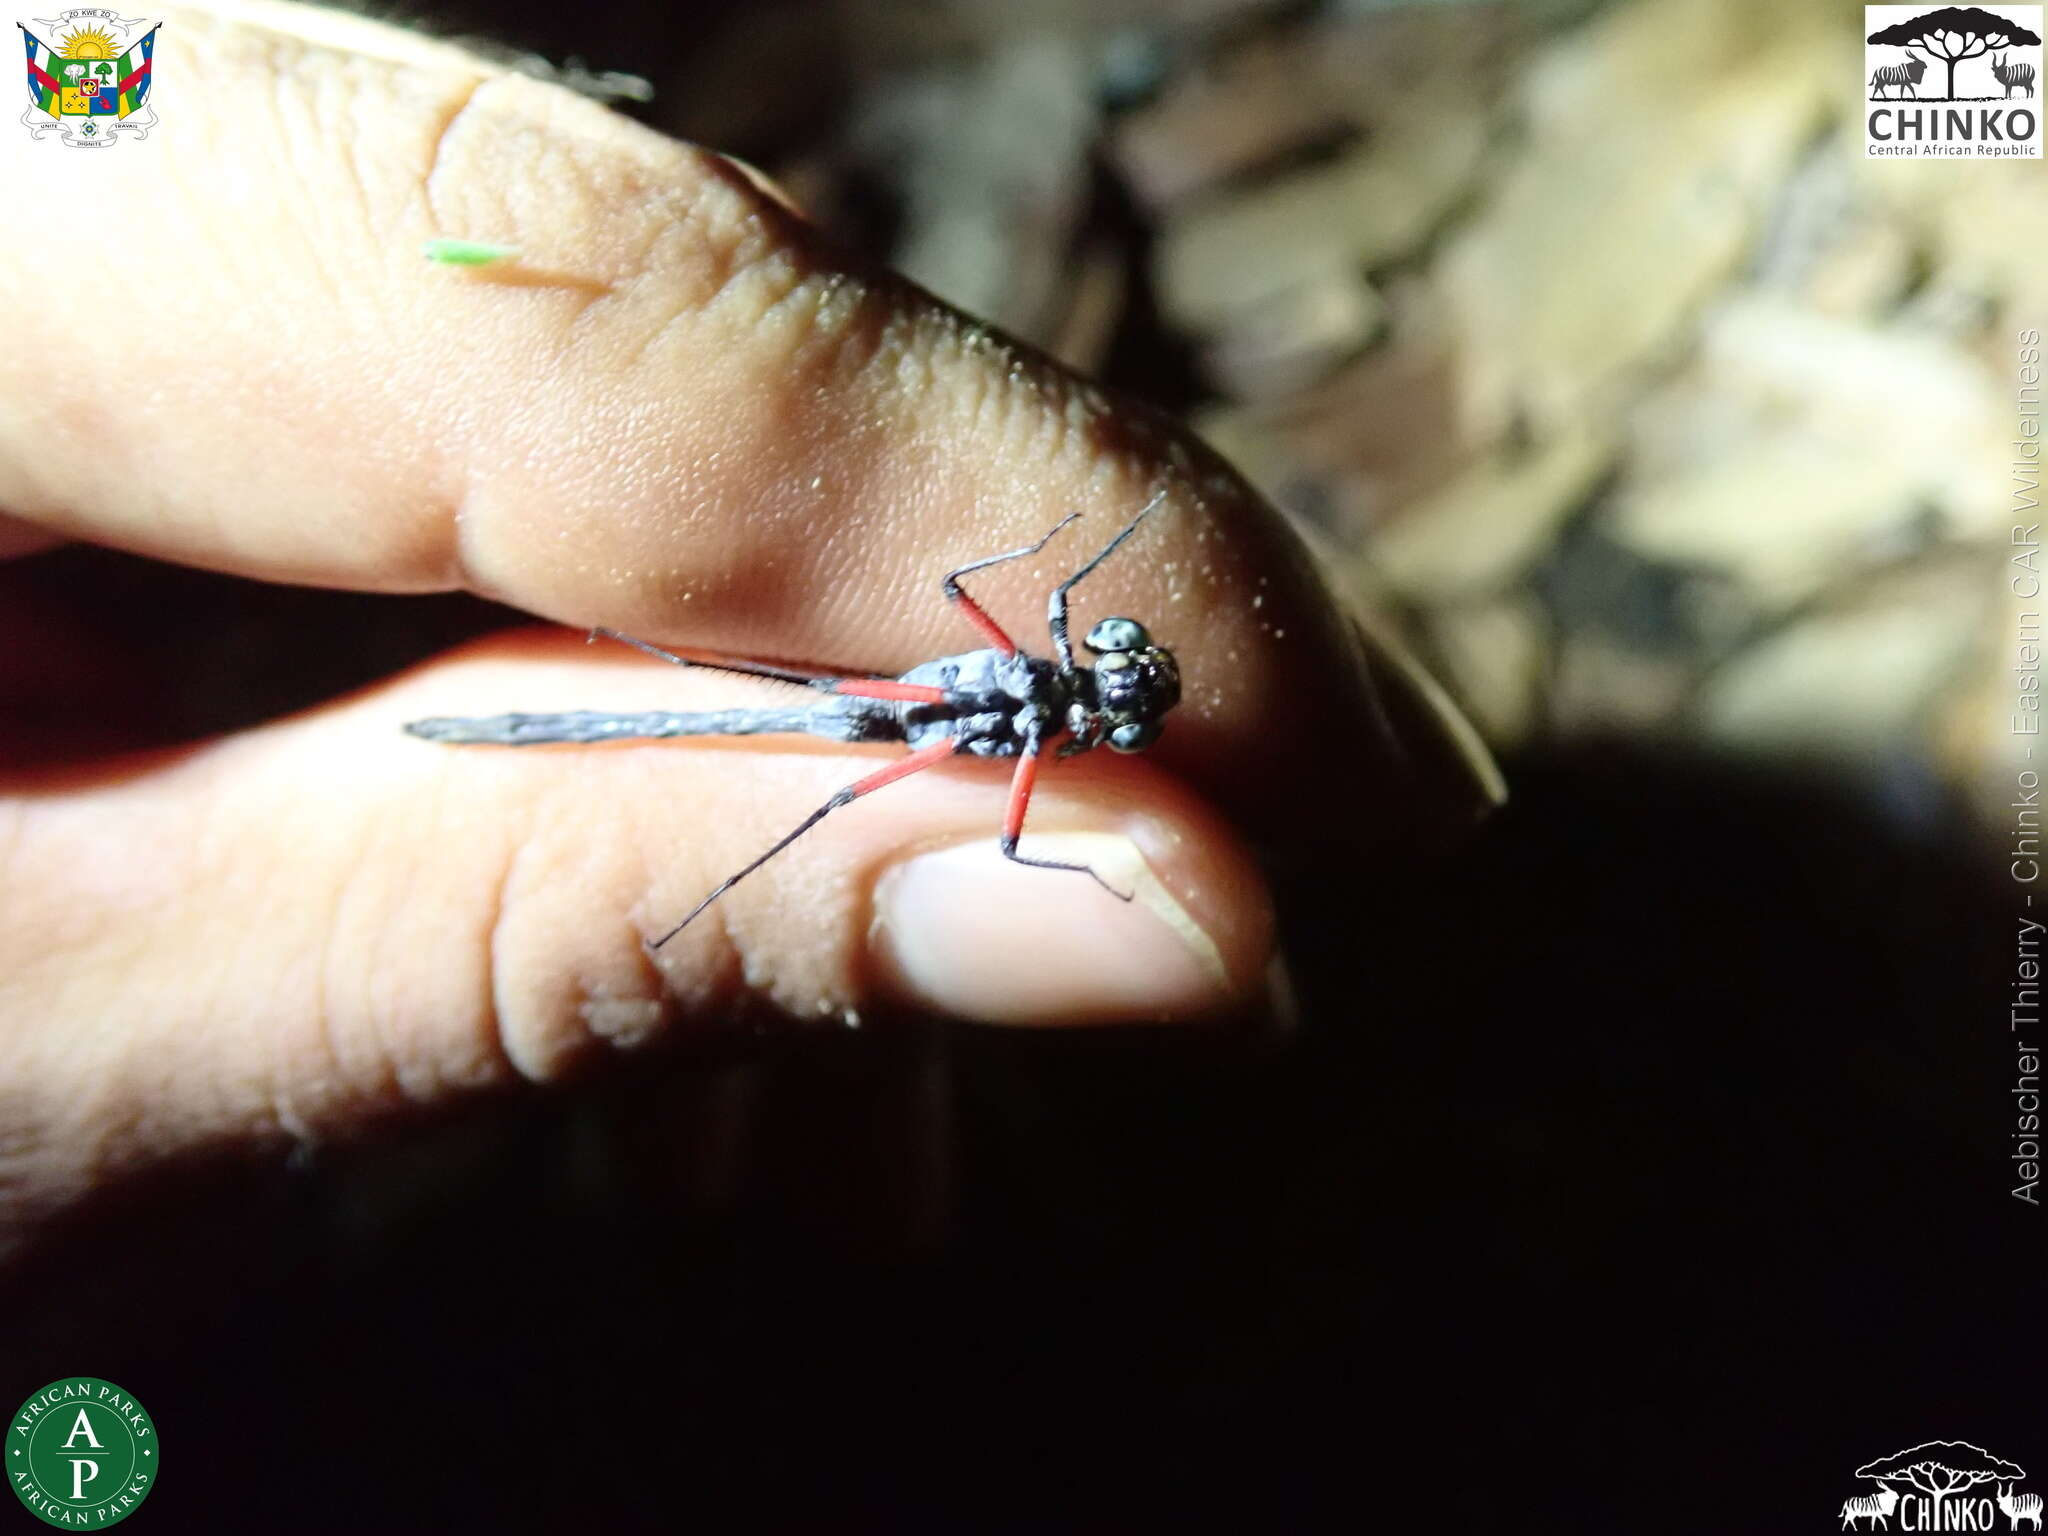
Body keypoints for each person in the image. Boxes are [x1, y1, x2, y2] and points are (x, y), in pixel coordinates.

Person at [0, 0, 1492, 1261]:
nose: (1110, 671)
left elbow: (1017, 733)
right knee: (691, 686)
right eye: (1112, 665)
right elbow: (1015, 634)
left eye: (1109, 680)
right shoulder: (1048, 673)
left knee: (758, 737)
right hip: (868, 713)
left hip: (870, 732)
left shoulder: (1040, 690)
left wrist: (1058, 577)